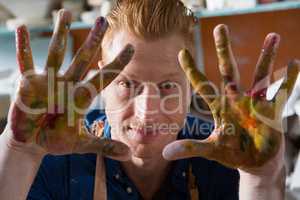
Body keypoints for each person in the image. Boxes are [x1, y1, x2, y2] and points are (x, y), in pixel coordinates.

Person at [0, 0, 299, 199]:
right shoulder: (56, 157)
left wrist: (260, 177)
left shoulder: (224, 158)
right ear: (103, 82)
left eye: (168, 85)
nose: (148, 110)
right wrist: (19, 152)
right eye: (127, 84)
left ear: (190, 83)